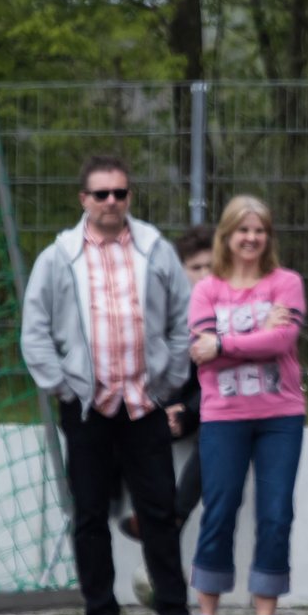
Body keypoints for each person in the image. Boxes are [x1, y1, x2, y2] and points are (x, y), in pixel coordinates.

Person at [20, 154, 192, 615]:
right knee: (90, 513)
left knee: (159, 511)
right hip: (86, 407)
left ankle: (174, 614)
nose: (111, 201)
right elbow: (35, 332)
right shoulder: (58, 256)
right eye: (101, 194)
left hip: (144, 404)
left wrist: (167, 384)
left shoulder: (156, 249)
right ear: (84, 200)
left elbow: (182, 321)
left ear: (129, 197)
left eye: (119, 193)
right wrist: (64, 386)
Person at [177, 195, 307, 615]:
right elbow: (199, 349)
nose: (251, 239)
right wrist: (256, 337)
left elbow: (283, 338)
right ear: (226, 237)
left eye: (259, 231)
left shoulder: (286, 282)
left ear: (268, 237)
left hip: (281, 417)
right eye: (242, 231)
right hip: (223, 417)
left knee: (275, 516)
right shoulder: (206, 289)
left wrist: (225, 342)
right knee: (219, 511)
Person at [119, 223, 214, 546]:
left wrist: (187, 411)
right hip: (170, 402)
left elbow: (222, 375)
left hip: (210, 406)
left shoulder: (229, 307)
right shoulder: (165, 308)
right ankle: (149, 513)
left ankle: (172, 518)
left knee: (214, 433)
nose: (204, 275)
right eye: (196, 267)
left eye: (211, 267)